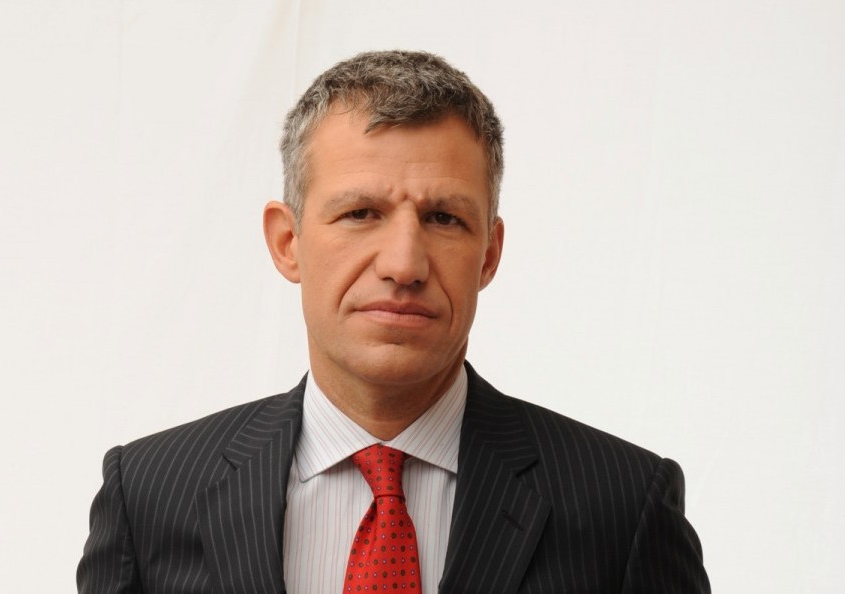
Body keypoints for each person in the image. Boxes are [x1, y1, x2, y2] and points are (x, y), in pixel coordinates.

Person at [78, 50, 710, 594]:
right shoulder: (149, 494)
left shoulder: (624, 504)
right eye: (360, 213)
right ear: (287, 242)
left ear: (489, 254)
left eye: (444, 219)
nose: (404, 265)